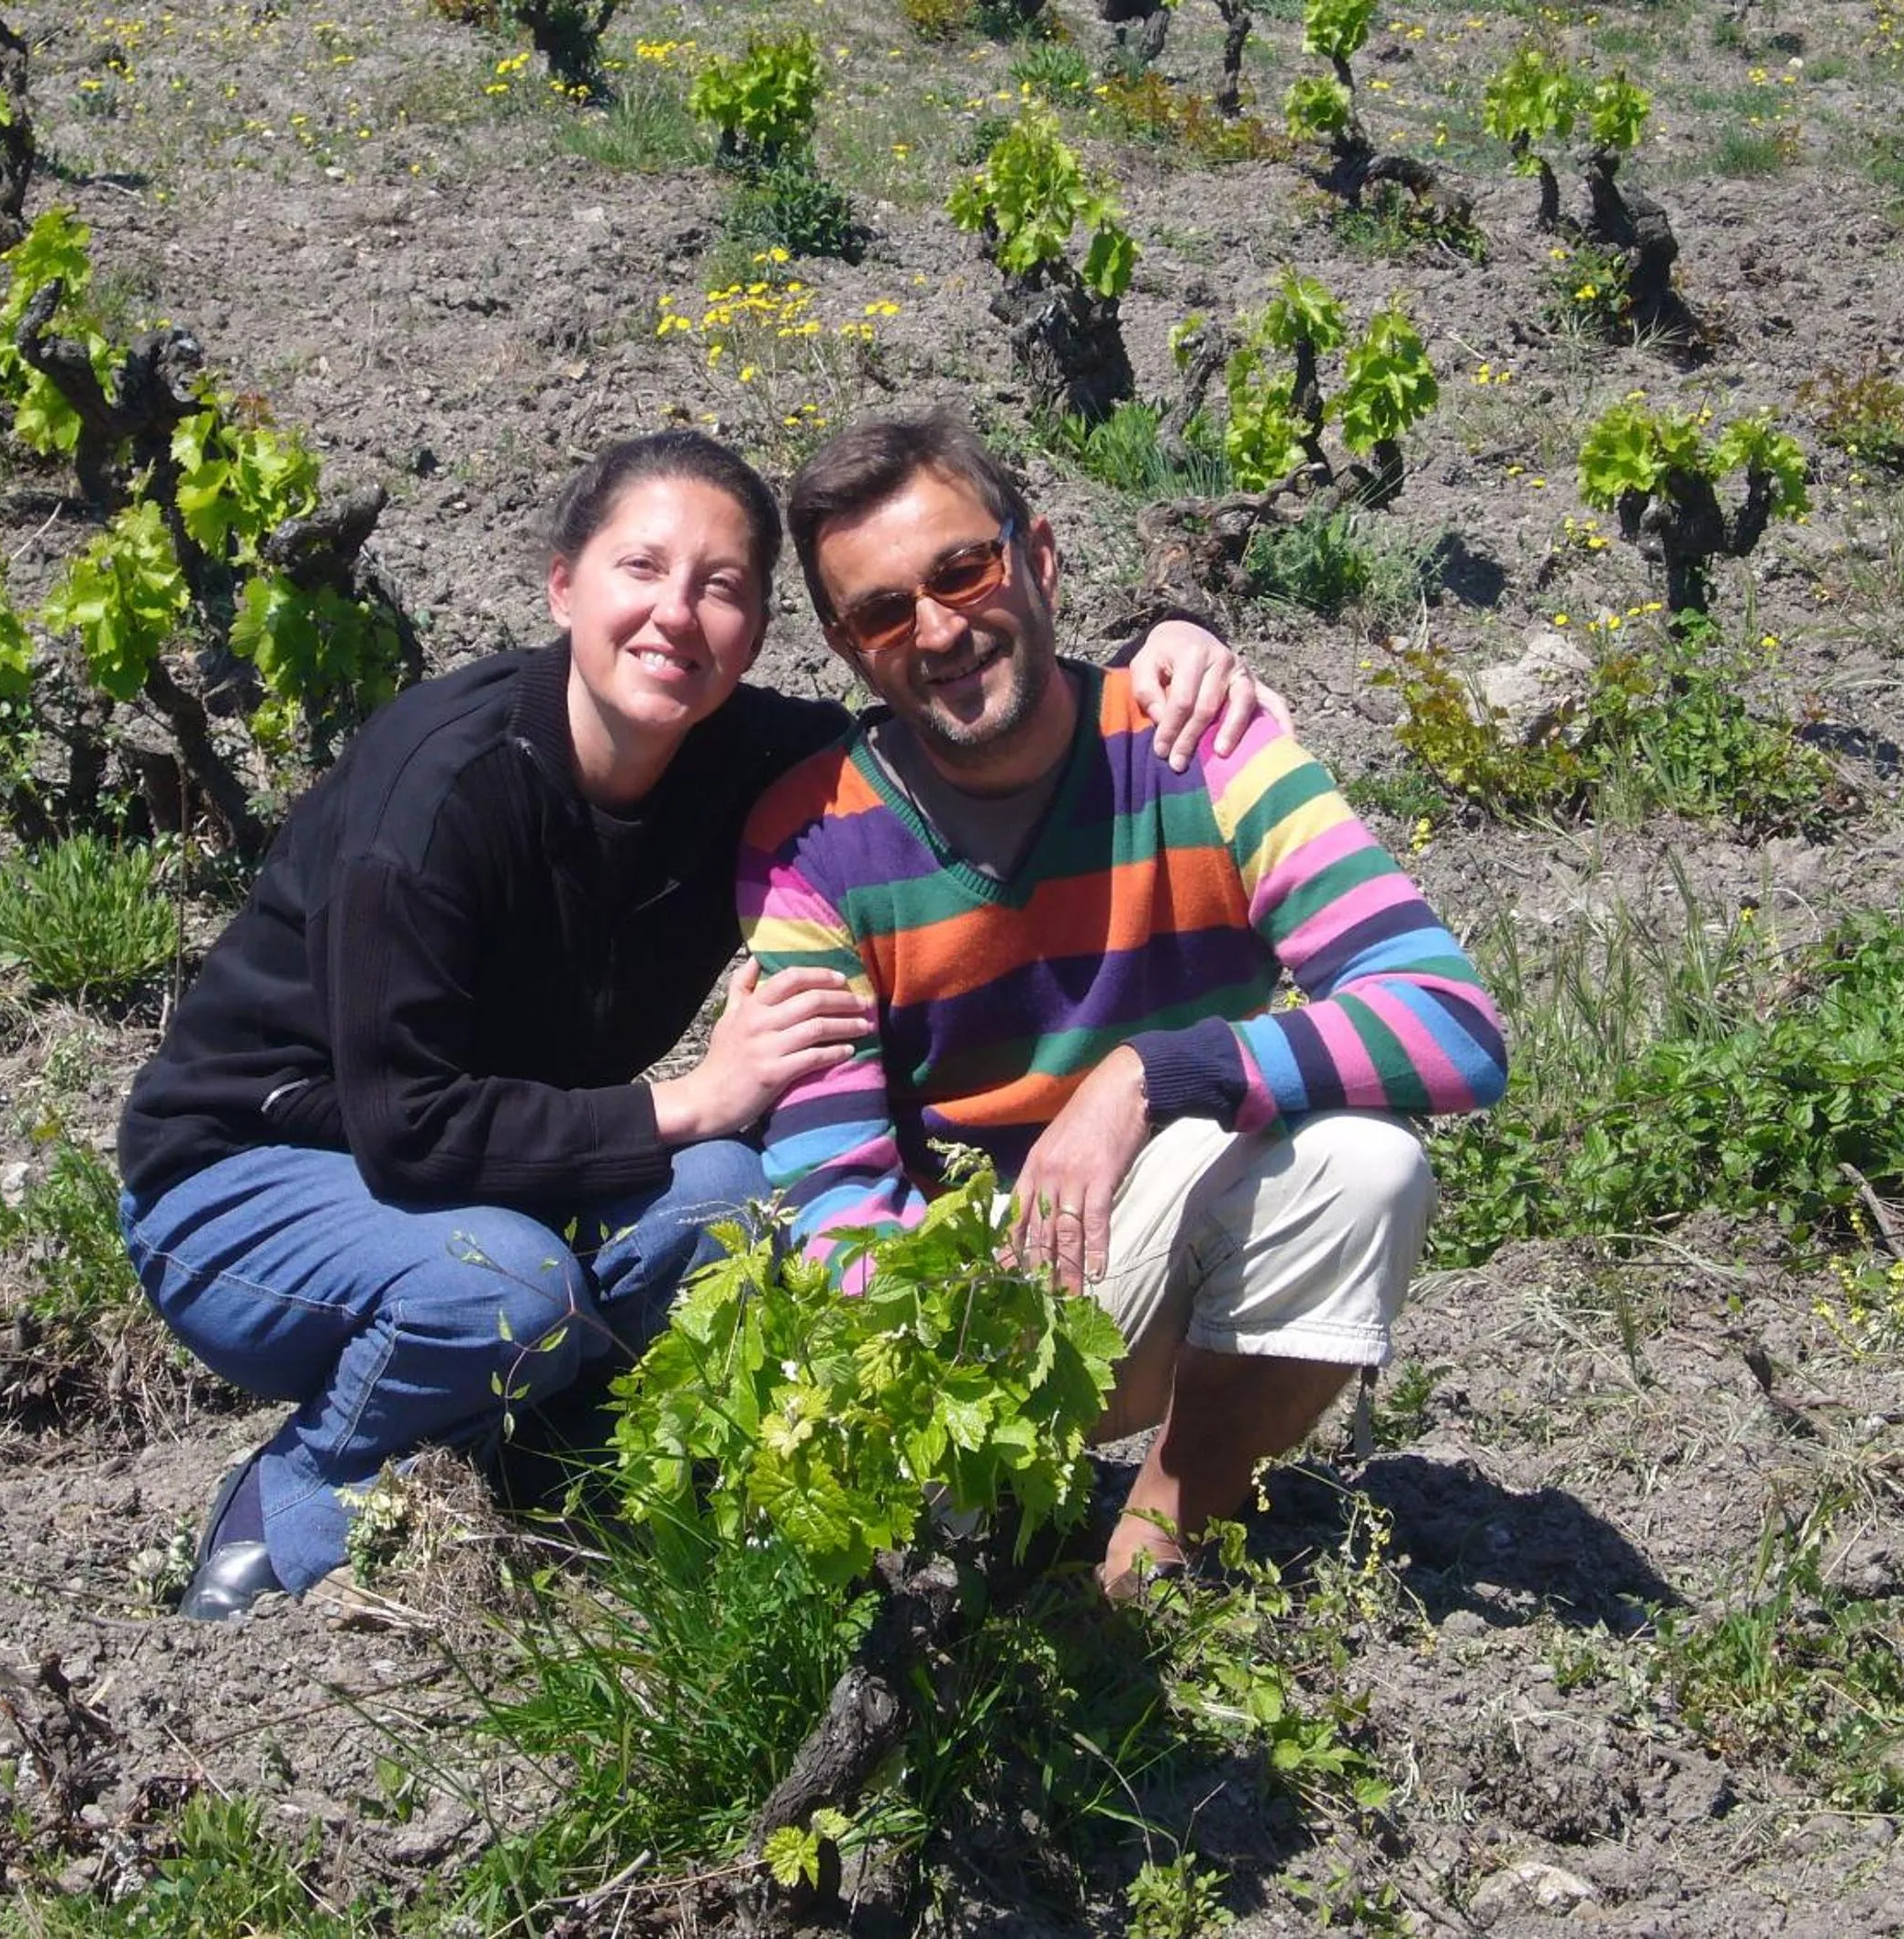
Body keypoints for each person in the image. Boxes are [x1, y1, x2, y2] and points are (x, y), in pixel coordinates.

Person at [117, 427, 1266, 1619]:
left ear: (760, 631)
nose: (677, 614)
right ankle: (298, 1503)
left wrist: (1168, 648)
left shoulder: (744, 763)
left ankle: (534, 1462)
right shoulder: (440, 797)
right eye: (641, 570)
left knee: (732, 1194)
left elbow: (965, 715)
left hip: (478, 1170)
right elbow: (403, 1127)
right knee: (510, 1289)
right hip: (247, 1183)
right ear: (564, 584)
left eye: (721, 587)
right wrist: (690, 1098)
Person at [738, 411, 1509, 1593]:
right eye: (884, 612)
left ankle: (1150, 1556)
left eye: (962, 570)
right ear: (849, 651)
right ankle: (990, 1535)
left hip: (1149, 1237)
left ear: (1036, 560)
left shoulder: (1204, 744)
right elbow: (835, 1188)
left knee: (1365, 1166)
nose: (939, 630)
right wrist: (926, 1397)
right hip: (957, 1280)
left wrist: (1149, 1078)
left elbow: (1450, 1022)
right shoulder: (809, 838)